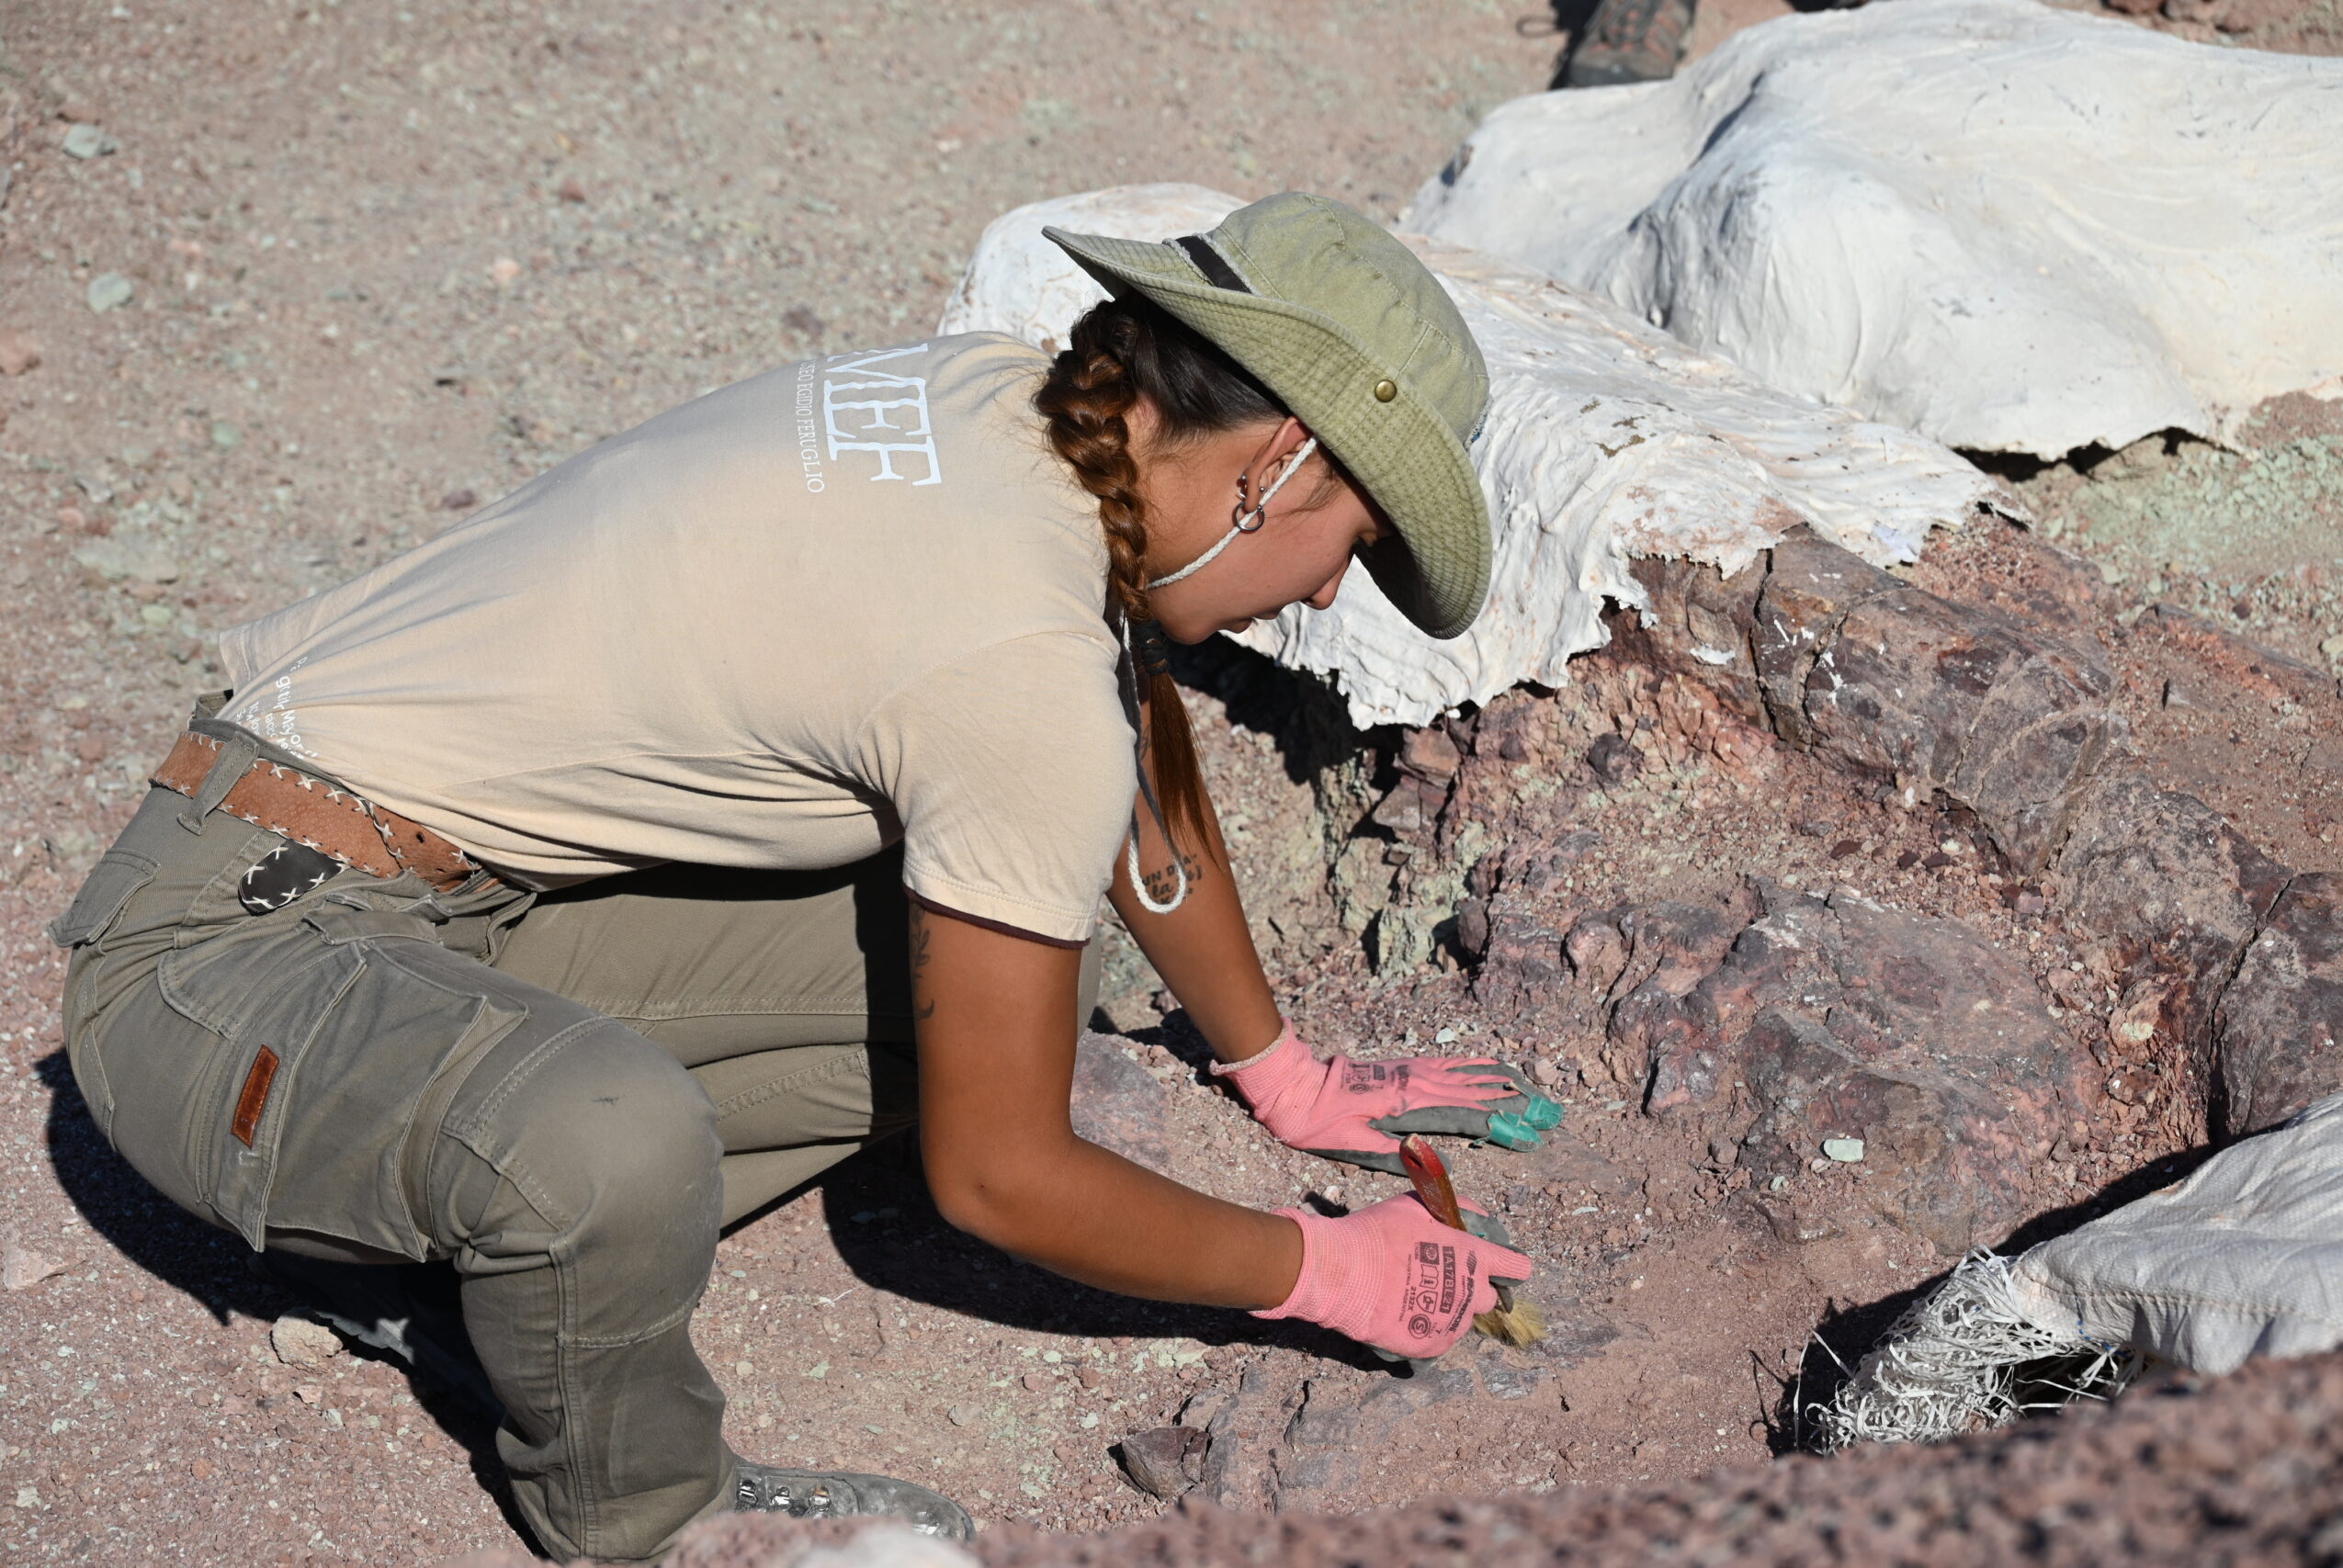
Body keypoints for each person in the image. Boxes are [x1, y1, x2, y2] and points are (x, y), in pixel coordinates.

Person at [50, 192, 1559, 1564]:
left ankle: (455, 1274)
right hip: (219, 966)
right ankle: (651, 1523)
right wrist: (1321, 1269)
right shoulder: (1011, 659)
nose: (1319, 594)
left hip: (433, 905)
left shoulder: (1005, 415)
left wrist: (1280, 1071)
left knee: (997, 999)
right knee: (612, 1138)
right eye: (1346, 548)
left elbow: (1117, 748)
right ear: (1277, 460)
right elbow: (1001, 1177)